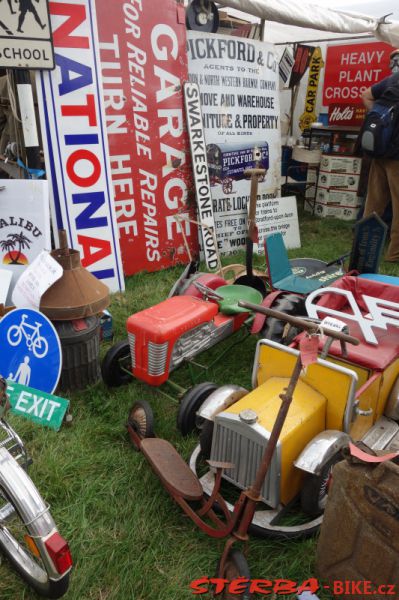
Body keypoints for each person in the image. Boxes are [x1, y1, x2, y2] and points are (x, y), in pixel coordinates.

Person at [361, 49, 399, 262]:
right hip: (397, 157)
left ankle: (364, 245)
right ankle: (394, 254)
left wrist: (383, 122)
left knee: (374, 203)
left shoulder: (393, 79)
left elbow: (365, 95)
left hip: (380, 149)